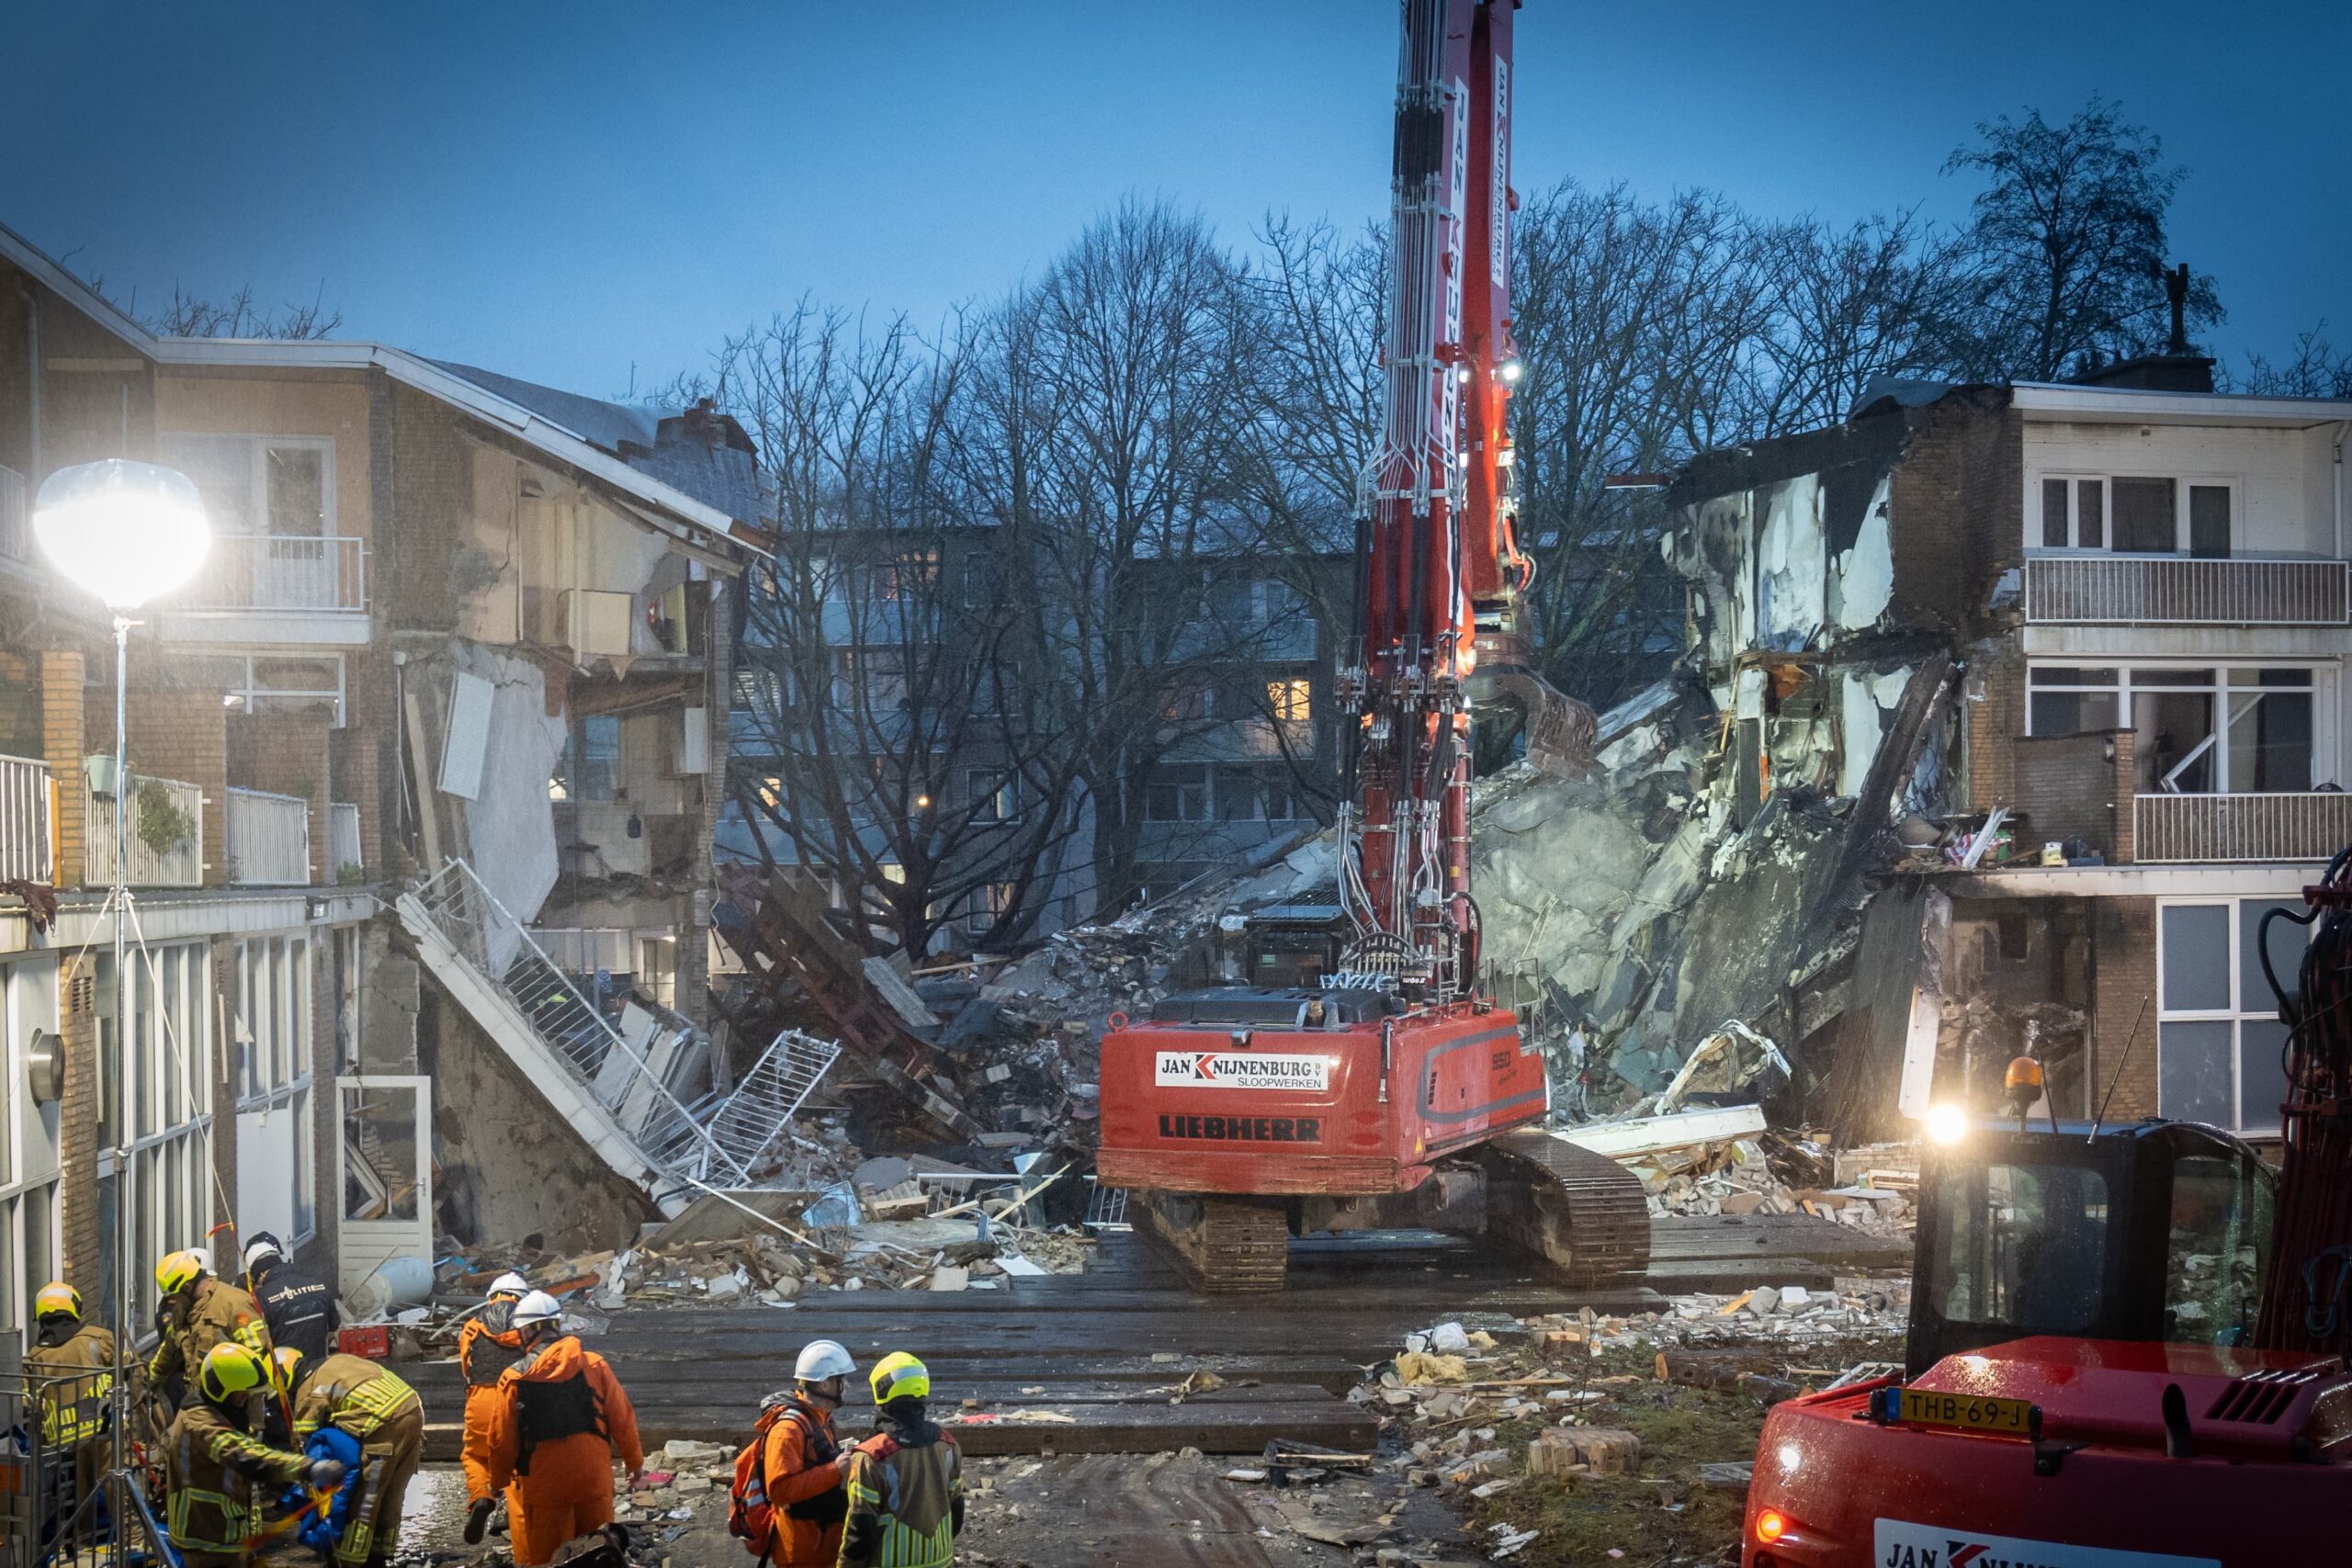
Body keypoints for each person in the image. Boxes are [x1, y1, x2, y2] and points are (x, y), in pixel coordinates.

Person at [480, 1291, 644, 1567]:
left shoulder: (514, 1377)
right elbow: (622, 1417)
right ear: (556, 1324)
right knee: (599, 1556)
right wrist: (634, 1463)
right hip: (594, 1483)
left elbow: (501, 1441)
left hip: (544, 1492)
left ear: (525, 1332)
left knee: (548, 1561)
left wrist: (497, 1483)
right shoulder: (593, 1364)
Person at [162, 1343, 341, 1568]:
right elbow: (248, 1457)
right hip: (207, 1538)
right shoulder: (202, 1424)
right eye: (242, 1396)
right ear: (222, 1391)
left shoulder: (218, 1412)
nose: (246, 1403)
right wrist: (308, 1468)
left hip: (226, 1535)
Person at [273, 1347, 425, 1568]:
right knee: (393, 1491)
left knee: (367, 1498)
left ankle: (349, 1560)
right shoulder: (337, 1361)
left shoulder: (308, 1389)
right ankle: (380, 1554)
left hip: (383, 1423)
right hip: (413, 1410)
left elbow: (305, 1445)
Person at [737, 1340, 855, 1565]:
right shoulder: (788, 1430)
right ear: (825, 1385)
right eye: (842, 1379)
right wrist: (835, 1469)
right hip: (802, 1549)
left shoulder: (821, 1418)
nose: (847, 1386)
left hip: (822, 1541)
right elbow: (781, 1490)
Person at [840, 1353, 963, 1568]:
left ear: (881, 1390)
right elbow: (956, 1509)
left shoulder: (871, 1455)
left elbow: (860, 1527)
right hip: (941, 1561)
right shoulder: (947, 1444)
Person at [25, 1282, 116, 1521]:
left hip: (61, 1441)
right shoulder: (97, 1338)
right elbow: (126, 1371)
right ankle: (133, 1535)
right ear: (73, 1308)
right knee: (115, 1482)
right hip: (101, 1428)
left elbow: (31, 1402)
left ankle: (83, 1541)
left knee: (78, 1494)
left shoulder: (35, 1356)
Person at [151, 1249, 274, 1408]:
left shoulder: (234, 1304)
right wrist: (149, 1382)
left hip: (235, 1407)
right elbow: (167, 1353)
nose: (172, 1302)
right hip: (199, 1404)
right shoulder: (183, 1312)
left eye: (173, 1296)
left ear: (187, 1286)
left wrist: (242, 1400)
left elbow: (257, 1356)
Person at [458, 1272, 531, 1525]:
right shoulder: (529, 1327)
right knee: (517, 1457)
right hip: (516, 1402)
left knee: (475, 1456)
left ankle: (480, 1496)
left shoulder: (472, 1326)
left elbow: (467, 1369)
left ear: (490, 1298)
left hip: (481, 1401)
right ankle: (514, 1515)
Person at [242, 1234, 338, 1362]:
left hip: (287, 1372)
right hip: (318, 1367)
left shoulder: (263, 1298)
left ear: (262, 1273)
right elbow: (334, 1324)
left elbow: (261, 1341)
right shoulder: (318, 1284)